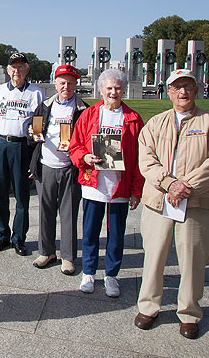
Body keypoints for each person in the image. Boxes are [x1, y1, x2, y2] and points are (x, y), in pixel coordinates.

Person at [134, 68, 209, 339]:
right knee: (153, 257)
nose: (182, 92)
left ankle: (189, 313)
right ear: (168, 92)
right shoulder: (156, 123)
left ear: (196, 89)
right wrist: (169, 184)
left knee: (193, 260)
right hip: (159, 201)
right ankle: (149, 307)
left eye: (187, 86)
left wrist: (185, 187)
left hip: (195, 202)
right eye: (177, 87)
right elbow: (146, 159)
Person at [69, 68, 144, 297]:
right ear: (101, 90)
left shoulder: (133, 119)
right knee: (90, 232)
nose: (113, 92)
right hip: (94, 184)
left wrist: (136, 190)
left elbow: (142, 157)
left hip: (119, 187)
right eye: (109, 88)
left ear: (123, 90)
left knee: (116, 234)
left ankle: (112, 275)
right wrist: (85, 157)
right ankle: (89, 272)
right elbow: (75, 146)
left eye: (117, 88)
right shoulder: (89, 115)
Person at [0, 52, 44, 256]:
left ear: (27, 69)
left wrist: (36, 157)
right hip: (0, 144)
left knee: (21, 195)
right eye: (13, 67)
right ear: (8, 70)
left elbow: (38, 128)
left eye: (20, 67)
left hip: (21, 148)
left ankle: (19, 238)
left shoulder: (35, 93)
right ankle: (1, 235)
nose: (16, 71)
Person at [28, 65, 87, 274]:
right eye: (62, 82)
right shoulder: (44, 106)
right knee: (46, 212)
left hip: (70, 168)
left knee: (69, 213)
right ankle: (47, 252)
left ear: (75, 84)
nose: (66, 86)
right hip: (46, 166)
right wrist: (33, 135)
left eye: (70, 83)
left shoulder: (83, 109)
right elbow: (33, 136)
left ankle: (68, 257)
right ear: (55, 83)